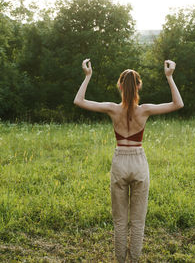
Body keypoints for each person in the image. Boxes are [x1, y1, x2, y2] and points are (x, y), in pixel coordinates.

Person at [73, 58, 184, 262]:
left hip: (120, 162)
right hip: (139, 162)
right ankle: (134, 260)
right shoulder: (145, 110)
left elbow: (79, 101)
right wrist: (169, 77)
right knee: (138, 221)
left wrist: (87, 76)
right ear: (139, 85)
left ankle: (121, 260)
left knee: (120, 221)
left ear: (120, 86)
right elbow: (178, 104)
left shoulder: (112, 109)